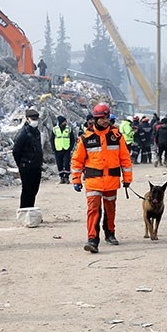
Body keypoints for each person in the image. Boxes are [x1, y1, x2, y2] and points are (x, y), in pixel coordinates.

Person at [71, 103, 133, 253]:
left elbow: (125, 159)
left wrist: (127, 178)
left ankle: (110, 233)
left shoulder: (117, 136)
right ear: (95, 119)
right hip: (93, 181)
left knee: (110, 210)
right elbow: (77, 161)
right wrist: (76, 179)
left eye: (107, 117)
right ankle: (92, 239)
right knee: (93, 210)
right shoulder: (86, 138)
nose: (105, 120)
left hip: (111, 180)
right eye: (102, 118)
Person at [12, 109, 43, 208]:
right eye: (32, 119)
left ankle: (30, 210)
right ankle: (24, 210)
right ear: (27, 119)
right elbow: (16, 151)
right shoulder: (23, 134)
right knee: (27, 190)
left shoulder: (36, 132)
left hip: (36, 165)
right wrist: (21, 164)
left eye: (36, 119)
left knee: (34, 190)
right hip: (27, 166)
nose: (35, 121)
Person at [51, 115, 75, 184]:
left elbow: (72, 139)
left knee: (67, 163)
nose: (65, 123)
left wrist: (70, 147)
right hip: (58, 149)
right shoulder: (55, 129)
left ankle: (67, 177)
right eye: (64, 121)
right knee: (59, 163)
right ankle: (61, 177)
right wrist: (53, 148)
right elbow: (52, 139)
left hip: (66, 149)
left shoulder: (68, 129)